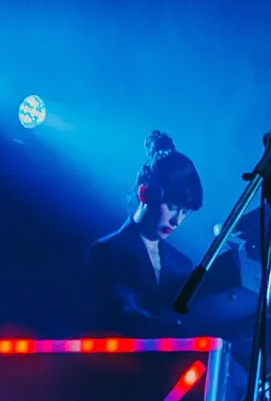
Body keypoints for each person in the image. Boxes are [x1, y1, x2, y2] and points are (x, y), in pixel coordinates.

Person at [87, 131, 243, 335]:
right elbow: (121, 315)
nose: (177, 221)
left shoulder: (182, 263)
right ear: (145, 193)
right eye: (172, 207)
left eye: (184, 212)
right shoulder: (106, 251)